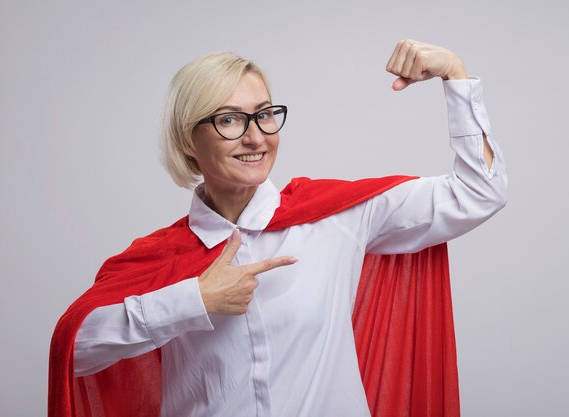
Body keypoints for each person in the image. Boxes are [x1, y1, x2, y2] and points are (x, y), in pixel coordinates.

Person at [49, 40, 507, 417]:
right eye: (229, 119)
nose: (256, 136)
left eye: (264, 114)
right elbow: (76, 350)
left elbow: (478, 193)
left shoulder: (336, 216)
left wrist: (455, 75)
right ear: (189, 141)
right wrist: (193, 301)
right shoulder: (161, 258)